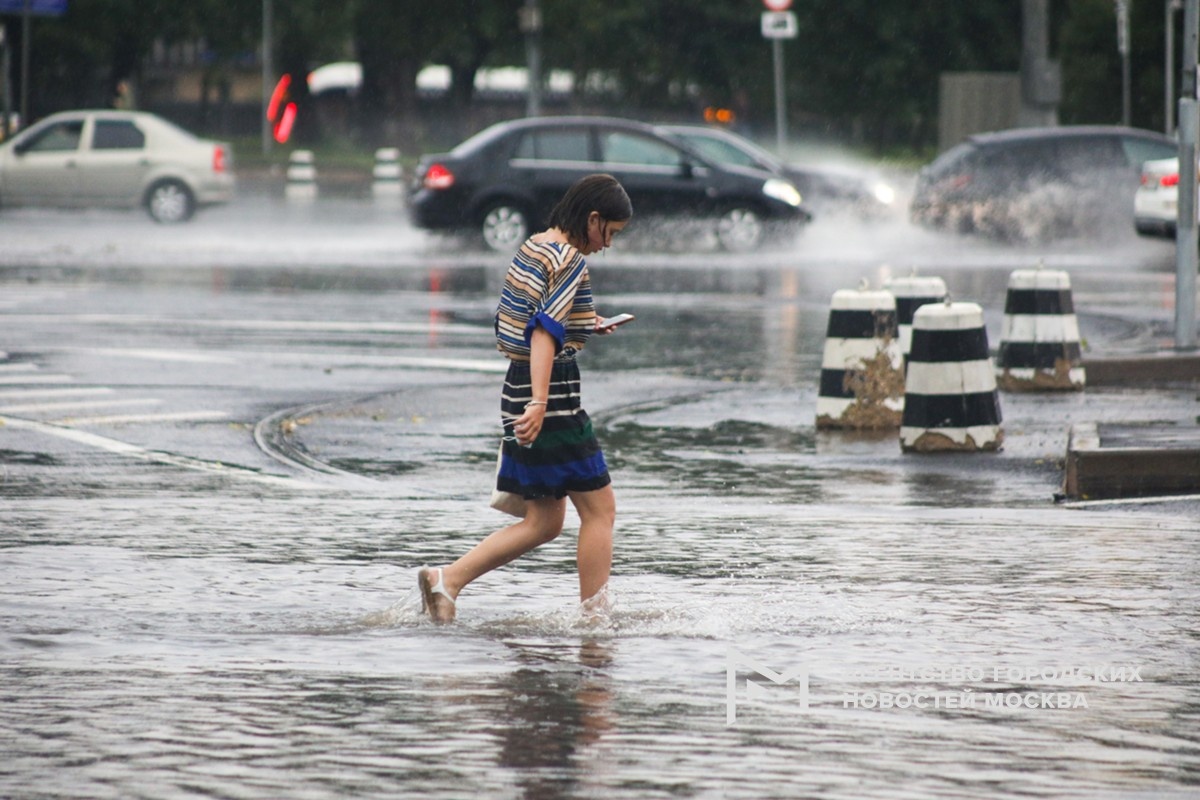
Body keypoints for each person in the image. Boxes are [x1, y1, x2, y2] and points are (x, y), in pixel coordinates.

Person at [418, 174, 633, 624]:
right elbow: (542, 330)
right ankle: (596, 619)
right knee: (600, 510)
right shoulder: (571, 259)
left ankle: (447, 580)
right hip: (550, 394)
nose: (607, 245)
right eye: (609, 233)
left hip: (517, 384)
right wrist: (539, 403)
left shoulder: (537, 245)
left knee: (545, 522)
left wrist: (586, 322)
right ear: (592, 219)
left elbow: (527, 316)